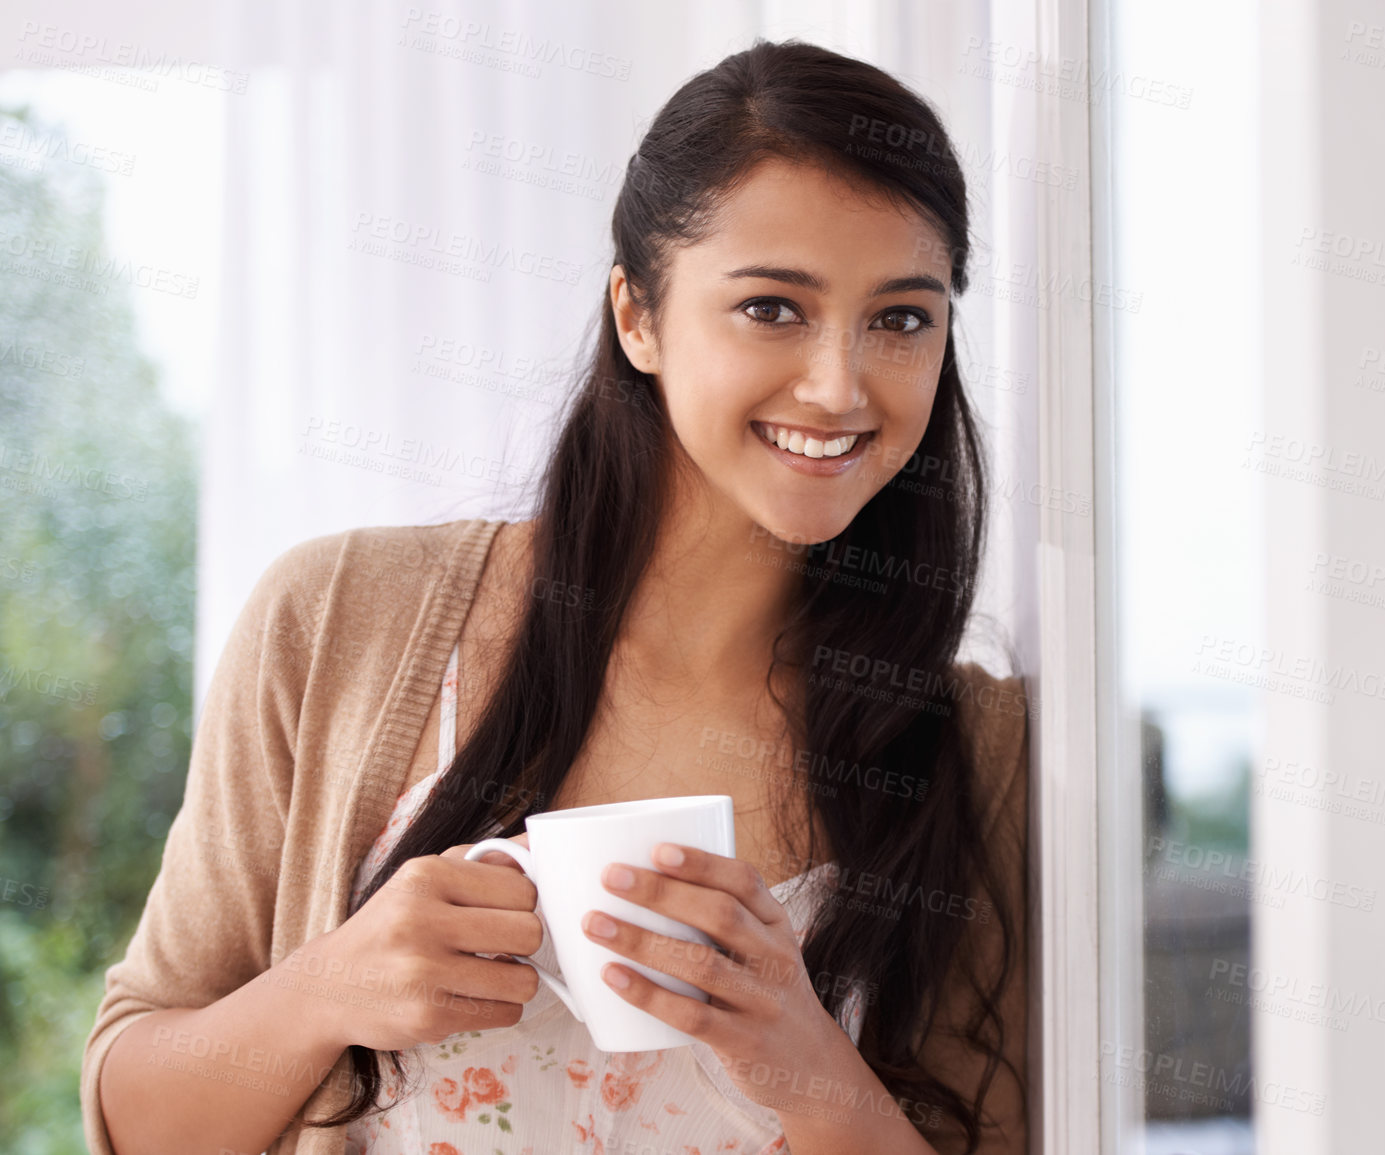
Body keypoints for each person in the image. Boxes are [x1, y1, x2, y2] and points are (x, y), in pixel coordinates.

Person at [82, 37, 1029, 1155]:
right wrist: (329, 990)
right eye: (773, 308)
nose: (840, 384)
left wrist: (812, 1071)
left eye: (902, 318)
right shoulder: (335, 619)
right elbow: (137, 1120)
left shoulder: (981, 751)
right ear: (637, 315)